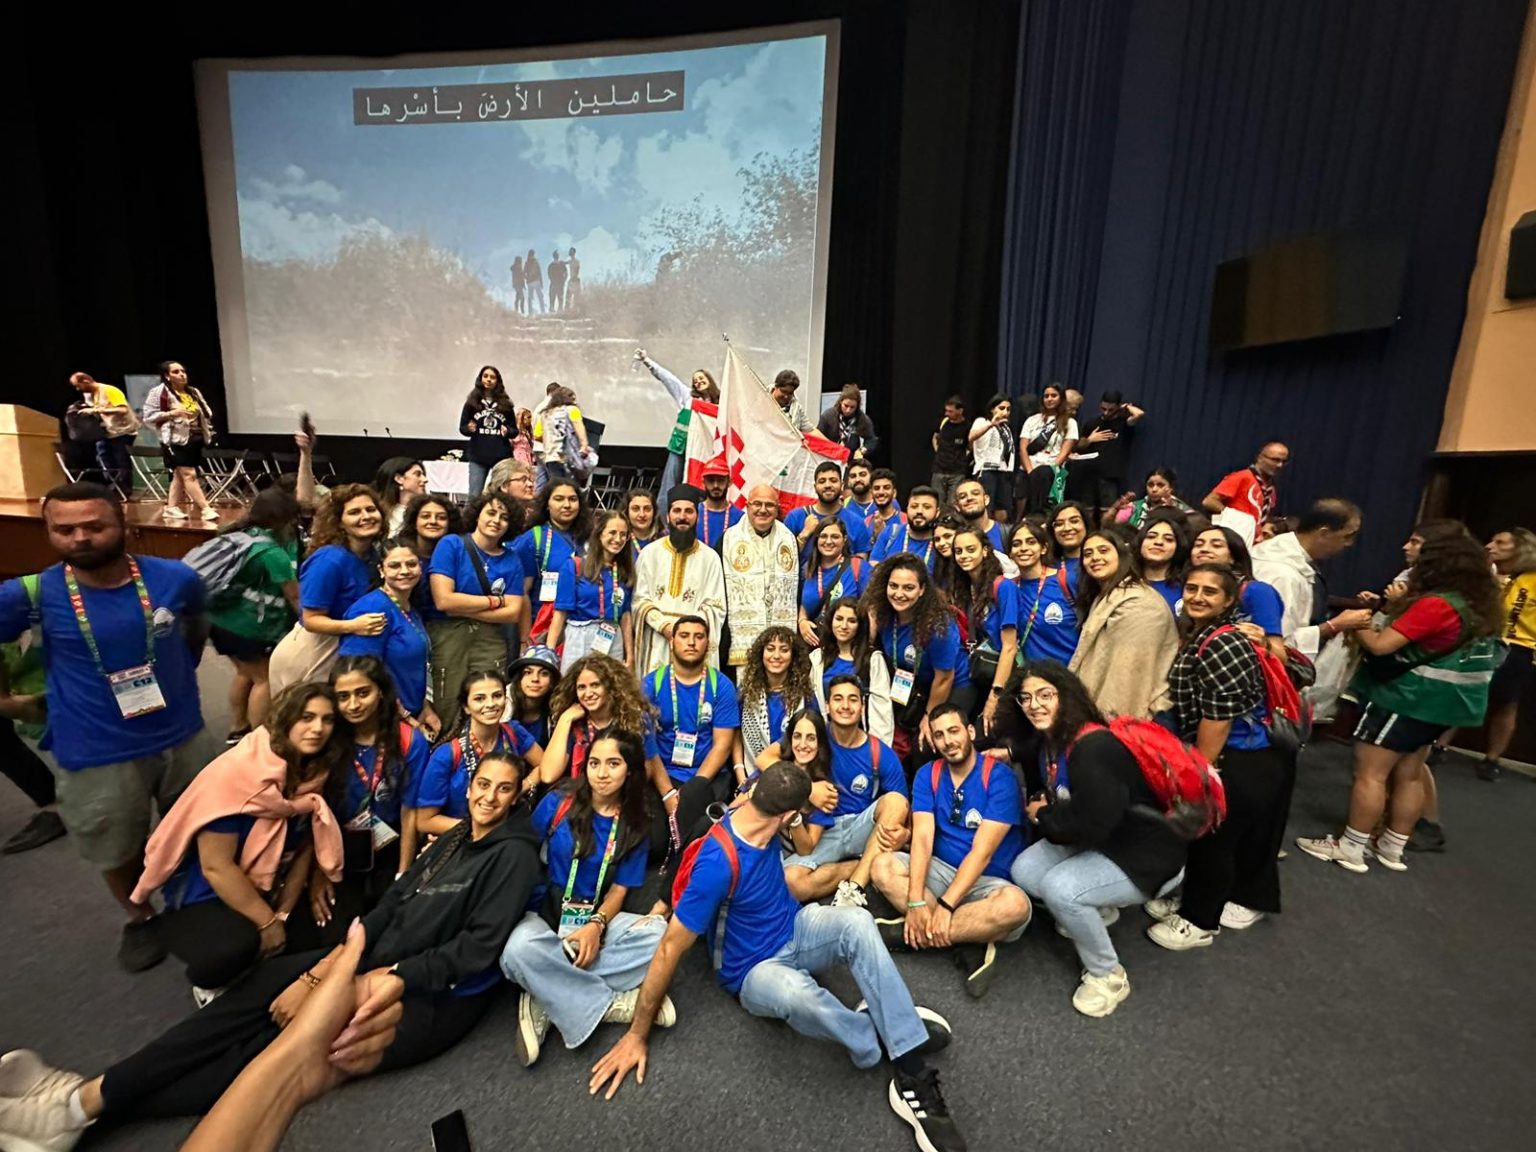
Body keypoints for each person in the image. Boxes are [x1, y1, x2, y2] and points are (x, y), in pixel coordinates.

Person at [0, 752, 542, 1150]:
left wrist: (376, 979)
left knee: (265, 1050)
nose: (488, 797)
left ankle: (82, 1108)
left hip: (427, 997)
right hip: (370, 959)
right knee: (255, 995)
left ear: (517, 796)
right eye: (482, 784)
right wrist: (330, 966)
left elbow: (475, 950)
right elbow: (392, 903)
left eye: (503, 790)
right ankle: (82, 1100)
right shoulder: (455, 837)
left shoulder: (512, 857)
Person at [588, 762, 966, 1152]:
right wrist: (637, 1034)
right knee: (796, 994)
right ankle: (879, 1035)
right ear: (788, 816)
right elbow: (669, 948)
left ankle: (908, 1062)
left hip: (794, 928)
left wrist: (813, 790)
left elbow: (773, 775)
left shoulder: (759, 799)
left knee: (857, 922)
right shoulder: (717, 864)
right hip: (752, 970)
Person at [0, 482, 214, 971]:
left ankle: (197, 902)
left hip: (183, 733)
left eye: (94, 526)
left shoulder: (175, 578)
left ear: (123, 525)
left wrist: (181, 673)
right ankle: (141, 916)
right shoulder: (31, 594)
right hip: (96, 748)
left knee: (201, 828)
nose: (80, 538)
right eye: (65, 529)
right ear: (49, 532)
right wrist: (7, 700)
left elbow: (196, 625)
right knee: (116, 845)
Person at [1296, 533, 1503, 874]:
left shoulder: (1437, 604)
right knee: (1410, 773)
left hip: (1407, 699)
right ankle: (1392, 847)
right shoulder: (1477, 604)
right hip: (1444, 706)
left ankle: (1351, 846)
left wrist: (1357, 622)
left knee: (1370, 773)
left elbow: (1381, 645)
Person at [142, 684, 348, 996]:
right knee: (233, 949)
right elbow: (216, 867)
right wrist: (267, 923)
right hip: (209, 892)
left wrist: (284, 912)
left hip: (273, 879)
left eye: (327, 719)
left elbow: (305, 845)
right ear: (286, 718)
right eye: (306, 717)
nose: (318, 728)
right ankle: (208, 984)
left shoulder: (316, 770)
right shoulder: (238, 777)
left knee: (325, 935)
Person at [1008, 662, 1186, 1017]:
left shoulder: (1093, 747)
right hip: (1104, 840)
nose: (1034, 705)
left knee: (1061, 889)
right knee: (1025, 870)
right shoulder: (1051, 739)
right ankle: (1098, 909)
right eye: (1025, 698)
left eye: (1045, 695)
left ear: (1066, 696)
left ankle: (1108, 975)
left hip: (1145, 856)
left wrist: (1043, 815)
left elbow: (1091, 824)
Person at [501, 730, 670, 1066]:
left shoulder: (636, 822)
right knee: (515, 950)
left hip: (595, 920)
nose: (601, 773)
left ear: (630, 771)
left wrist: (596, 925)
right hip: (545, 914)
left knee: (658, 934)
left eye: (613, 764)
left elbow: (619, 891)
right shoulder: (559, 801)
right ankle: (607, 1003)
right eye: (594, 763)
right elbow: (522, 852)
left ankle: (544, 991)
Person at [1144, 564, 1288, 949]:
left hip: (1240, 756)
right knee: (1206, 840)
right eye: (1192, 588)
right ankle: (1192, 901)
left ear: (1228, 601)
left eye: (1210, 591)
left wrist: (1200, 776)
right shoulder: (1202, 633)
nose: (1198, 597)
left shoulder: (1224, 642)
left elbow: (1217, 720)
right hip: (1229, 753)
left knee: (1215, 843)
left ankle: (1200, 922)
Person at [871, 703, 1031, 999]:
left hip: (986, 882)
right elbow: (922, 839)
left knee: (1016, 906)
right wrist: (916, 900)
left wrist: (945, 906)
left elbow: (981, 853)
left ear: (970, 732)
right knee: (882, 866)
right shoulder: (927, 775)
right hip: (941, 871)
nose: (948, 741)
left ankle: (915, 935)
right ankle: (968, 939)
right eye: (939, 735)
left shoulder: (999, 778)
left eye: (954, 731)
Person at [772, 674, 907, 908]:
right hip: (824, 833)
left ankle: (854, 888)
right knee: (791, 882)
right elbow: (766, 759)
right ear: (827, 705)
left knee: (895, 801)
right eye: (838, 699)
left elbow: (902, 810)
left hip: (861, 827)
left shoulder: (880, 753)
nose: (845, 706)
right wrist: (809, 788)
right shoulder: (813, 735)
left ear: (862, 706)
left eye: (853, 699)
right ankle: (863, 865)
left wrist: (905, 835)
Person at [318, 657, 430, 919]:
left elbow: (409, 810)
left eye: (363, 693)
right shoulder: (326, 739)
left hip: (390, 843)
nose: (353, 705)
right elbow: (314, 810)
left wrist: (403, 873)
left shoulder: (409, 740)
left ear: (380, 691)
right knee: (338, 925)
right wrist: (318, 872)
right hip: (336, 846)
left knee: (387, 919)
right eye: (343, 697)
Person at [1424, 527, 1536, 785]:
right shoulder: (1485, 574)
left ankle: (1492, 759)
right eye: (1491, 540)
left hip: (1519, 646)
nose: (1489, 546)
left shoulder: (1532, 579)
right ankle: (1439, 745)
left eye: (1500, 542)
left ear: (1521, 549)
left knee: (1507, 702)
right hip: (1480, 639)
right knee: (1462, 689)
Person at [267, 485, 384, 698]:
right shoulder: (329, 560)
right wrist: (353, 626)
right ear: (339, 522)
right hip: (314, 651)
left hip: (342, 648)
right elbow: (311, 619)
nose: (366, 516)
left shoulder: (371, 555)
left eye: (370, 509)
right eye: (354, 512)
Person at [206, 488, 302, 744]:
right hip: (247, 628)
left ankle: (238, 726)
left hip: (219, 621)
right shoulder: (272, 553)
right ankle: (259, 740)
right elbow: (295, 597)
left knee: (245, 673)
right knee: (264, 679)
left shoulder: (238, 535)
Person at [643, 617, 741, 850]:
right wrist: (668, 793)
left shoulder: (721, 686)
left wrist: (691, 792)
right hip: (664, 774)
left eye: (699, 637)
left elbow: (722, 746)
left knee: (700, 838)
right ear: (672, 642)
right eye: (684, 636)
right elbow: (648, 745)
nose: (691, 642)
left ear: (708, 644)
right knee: (655, 843)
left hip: (706, 777)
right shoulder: (652, 684)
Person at [867, 553, 973, 761]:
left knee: (925, 744)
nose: (899, 594)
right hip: (914, 686)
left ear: (922, 590)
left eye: (908, 588)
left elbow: (944, 678)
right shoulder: (884, 613)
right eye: (893, 586)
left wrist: (928, 716)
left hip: (953, 684)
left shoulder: (938, 625)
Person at [428, 491, 525, 709]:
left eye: (504, 517)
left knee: (488, 701)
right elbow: (443, 601)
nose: (496, 520)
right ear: (477, 514)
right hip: (449, 637)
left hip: (489, 641)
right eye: (491, 513)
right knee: (447, 702)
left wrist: (460, 606)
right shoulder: (452, 544)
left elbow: (513, 613)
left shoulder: (512, 560)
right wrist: (494, 602)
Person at [416, 670, 542, 838]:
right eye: (479, 698)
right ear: (466, 707)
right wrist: (480, 828)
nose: (490, 704)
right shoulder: (447, 755)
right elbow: (425, 820)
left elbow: (545, 765)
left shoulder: (514, 732)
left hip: (509, 833)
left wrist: (522, 787)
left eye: (497, 696)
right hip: (463, 839)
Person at [1069, 531, 1179, 719]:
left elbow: (1127, 680)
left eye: (1103, 550)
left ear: (1121, 555)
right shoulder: (1106, 595)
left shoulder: (1140, 603)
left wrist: (1109, 726)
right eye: (1088, 554)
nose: (1095, 557)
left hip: (1134, 718)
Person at [339, 542, 438, 736]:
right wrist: (405, 717)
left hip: (414, 714)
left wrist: (426, 707)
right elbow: (360, 674)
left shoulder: (410, 609)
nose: (405, 571)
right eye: (394, 566)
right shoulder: (372, 609)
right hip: (383, 720)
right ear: (381, 571)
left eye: (411, 564)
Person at [1250, 498, 1365, 658]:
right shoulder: (1282, 574)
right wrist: (1333, 626)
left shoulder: (1284, 553)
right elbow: (1276, 644)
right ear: (1324, 533)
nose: (1349, 544)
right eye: (1347, 536)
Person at [632, 485, 728, 675]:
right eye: (677, 511)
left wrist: (685, 632)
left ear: (697, 516)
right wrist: (665, 626)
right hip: (657, 642)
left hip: (694, 644)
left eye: (689, 511)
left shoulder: (710, 558)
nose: (682, 517)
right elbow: (639, 600)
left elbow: (716, 607)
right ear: (668, 516)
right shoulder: (649, 554)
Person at [527, 653, 656, 793]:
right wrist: (565, 720)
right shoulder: (573, 723)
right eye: (581, 687)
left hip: (622, 794)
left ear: (611, 686)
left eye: (595, 685)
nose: (588, 694)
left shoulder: (635, 718)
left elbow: (646, 772)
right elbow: (548, 775)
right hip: (579, 795)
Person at [952, 527, 1021, 734]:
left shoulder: (1004, 587)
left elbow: (1009, 647)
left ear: (984, 551)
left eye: (970, 549)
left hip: (1005, 677)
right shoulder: (967, 588)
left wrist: (995, 695)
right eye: (958, 551)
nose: (964, 556)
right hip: (982, 672)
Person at [724, 485, 800, 666]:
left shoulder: (788, 538)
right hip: (742, 641)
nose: (763, 510)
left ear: (777, 508)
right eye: (757, 504)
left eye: (769, 505)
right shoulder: (729, 539)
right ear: (747, 506)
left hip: (779, 637)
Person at [550, 511, 635, 670]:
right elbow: (560, 613)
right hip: (580, 635)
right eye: (612, 532)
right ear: (599, 533)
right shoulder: (575, 566)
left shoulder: (623, 571)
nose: (618, 539)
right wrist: (549, 652)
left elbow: (625, 615)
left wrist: (629, 655)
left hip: (612, 637)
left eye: (623, 534)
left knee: (610, 684)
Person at [513, 479, 590, 652]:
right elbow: (522, 592)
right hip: (542, 627)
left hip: (581, 627)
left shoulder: (590, 538)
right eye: (559, 499)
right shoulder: (534, 538)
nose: (567, 505)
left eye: (572, 499)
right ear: (547, 504)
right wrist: (525, 639)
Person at [1187, 526, 1287, 656]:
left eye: (1216, 546)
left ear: (1233, 556)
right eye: (1198, 545)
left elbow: (1280, 655)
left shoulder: (1257, 591)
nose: (1204, 549)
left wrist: (1264, 644)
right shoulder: (1186, 589)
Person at [635, 349, 719, 500]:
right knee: (670, 483)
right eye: (695, 381)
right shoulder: (688, 397)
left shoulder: (721, 403)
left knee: (699, 484)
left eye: (701, 378)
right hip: (680, 446)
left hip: (703, 450)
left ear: (709, 379)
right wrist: (647, 361)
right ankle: (664, 512)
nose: (698, 382)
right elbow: (668, 379)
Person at [809, 598, 896, 744]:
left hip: (861, 741)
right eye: (839, 619)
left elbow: (882, 711)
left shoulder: (872, 660)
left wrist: (877, 749)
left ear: (860, 625)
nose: (844, 626)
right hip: (825, 741)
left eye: (851, 621)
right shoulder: (818, 658)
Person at [142, 360, 218, 521]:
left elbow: (206, 411)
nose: (182, 375)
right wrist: (172, 413)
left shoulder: (193, 392)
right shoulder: (159, 393)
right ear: (167, 376)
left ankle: (171, 508)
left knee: (179, 474)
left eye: (183, 371)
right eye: (176, 372)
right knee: (189, 474)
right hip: (175, 440)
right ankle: (206, 509)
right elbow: (148, 417)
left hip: (195, 437)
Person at [735, 627, 817, 771]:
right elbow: (735, 734)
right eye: (770, 649)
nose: (776, 655)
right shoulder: (745, 693)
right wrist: (740, 772)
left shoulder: (805, 695)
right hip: (752, 774)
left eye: (784, 650)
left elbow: (816, 736)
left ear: (793, 656)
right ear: (761, 653)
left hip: (795, 774)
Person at [1067, 390, 1144, 522]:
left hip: (1109, 475)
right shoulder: (1092, 422)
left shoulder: (1123, 423)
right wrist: (1090, 439)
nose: (1106, 412)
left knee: (1107, 511)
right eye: (1103, 409)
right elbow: (1076, 447)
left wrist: (1126, 407)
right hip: (1088, 473)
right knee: (1087, 511)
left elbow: (1139, 414)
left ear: (1118, 406)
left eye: (1111, 409)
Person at [1009, 520, 1079, 665]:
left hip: (1072, 672)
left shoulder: (1066, 580)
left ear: (1043, 548)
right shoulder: (1010, 588)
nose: (1023, 548)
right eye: (1016, 544)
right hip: (1033, 675)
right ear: (1010, 553)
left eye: (1031, 542)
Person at [799, 517, 869, 646]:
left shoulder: (859, 567)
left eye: (835, 537)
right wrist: (802, 621)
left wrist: (866, 645)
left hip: (848, 646)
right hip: (814, 644)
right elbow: (803, 603)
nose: (828, 541)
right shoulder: (808, 568)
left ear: (844, 539)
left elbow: (871, 610)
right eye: (823, 536)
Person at [1202, 442, 1290, 546]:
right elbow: (1209, 502)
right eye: (1275, 460)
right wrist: (1236, 517)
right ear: (1260, 458)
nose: (1279, 465)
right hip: (1234, 539)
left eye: (1284, 462)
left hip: (1253, 542)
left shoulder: (1270, 488)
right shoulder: (1242, 477)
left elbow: (1262, 515)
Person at [66, 371, 137, 495]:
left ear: (86, 381)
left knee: (120, 460)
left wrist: (96, 410)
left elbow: (123, 409)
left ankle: (125, 489)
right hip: (105, 432)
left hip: (122, 431)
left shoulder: (110, 390)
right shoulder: (89, 395)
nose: (78, 389)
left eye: (78, 385)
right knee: (103, 459)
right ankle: (114, 486)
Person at [786, 463, 875, 560]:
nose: (827, 485)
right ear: (815, 487)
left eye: (833, 480)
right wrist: (804, 535)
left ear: (842, 485)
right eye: (822, 481)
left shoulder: (857, 523)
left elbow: (861, 565)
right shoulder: (795, 517)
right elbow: (782, 559)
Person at [458, 366, 518, 499]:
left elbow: (514, 430)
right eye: (485, 376)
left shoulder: (506, 405)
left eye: (492, 377)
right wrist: (469, 429)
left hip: (501, 457)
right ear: (480, 379)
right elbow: (462, 428)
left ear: (497, 381)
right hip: (478, 456)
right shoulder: (471, 403)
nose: (489, 380)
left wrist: (508, 431)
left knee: (503, 496)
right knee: (474, 496)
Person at [1019, 385, 1079, 515]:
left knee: (1049, 512)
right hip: (1029, 469)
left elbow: (1065, 452)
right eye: (1046, 396)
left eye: (1054, 396)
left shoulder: (1070, 423)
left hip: (1053, 472)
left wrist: (1051, 470)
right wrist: (1031, 472)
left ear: (1061, 398)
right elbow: (1023, 448)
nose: (1049, 399)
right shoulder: (1032, 420)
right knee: (1025, 512)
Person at [966, 395, 1018, 521]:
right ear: (992, 409)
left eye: (1008, 409)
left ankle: (998, 532)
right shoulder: (982, 421)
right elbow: (971, 437)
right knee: (986, 507)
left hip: (1004, 471)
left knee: (1003, 510)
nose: (1005, 412)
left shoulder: (1006, 427)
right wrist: (991, 424)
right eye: (1001, 408)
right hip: (987, 470)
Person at [872, 486, 941, 570]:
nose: (919, 511)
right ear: (907, 509)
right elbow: (873, 568)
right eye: (914, 506)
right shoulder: (890, 533)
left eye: (926, 507)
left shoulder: (941, 542)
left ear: (937, 512)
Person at [507, 645, 561, 748]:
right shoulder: (503, 704)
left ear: (552, 682)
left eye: (544, 674)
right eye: (528, 672)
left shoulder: (558, 711)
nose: (535, 679)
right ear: (519, 678)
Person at [538, 385, 594, 485]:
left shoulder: (545, 413)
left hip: (551, 457)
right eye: (573, 398)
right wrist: (584, 445)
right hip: (568, 456)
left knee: (556, 486)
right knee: (570, 486)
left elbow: (537, 434)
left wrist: (551, 441)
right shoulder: (572, 410)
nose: (575, 402)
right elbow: (579, 428)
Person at [1106, 467, 1192, 529]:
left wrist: (1171, 512)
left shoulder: (1183, 511)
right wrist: (1114, 509)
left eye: (1160, 485)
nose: (1154, 489)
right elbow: (1111, 529)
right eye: (1150, 485)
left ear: (1171, 488)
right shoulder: (1134, 507)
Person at [1137, 515, 1189, 613]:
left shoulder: (1187, 587)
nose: (1159, 542)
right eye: (1151, 537)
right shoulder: (1122, 583)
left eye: (1168, 539)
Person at [818, 383, 879, 459]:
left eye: (852, 407)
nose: (848, 410)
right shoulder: (828, 415)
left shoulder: (862, 419)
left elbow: (871, 439)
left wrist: (862, 450)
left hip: (850, 458)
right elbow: (817, 437)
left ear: (857, 406)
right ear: (841, 402)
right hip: (829, 456)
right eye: (846, 406)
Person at [930, 396, 972, 506]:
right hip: (939, 470)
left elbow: (971, 445)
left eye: (950, 411)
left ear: (960, 411)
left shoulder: (967, 427)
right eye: (946, 411)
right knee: (937, 502)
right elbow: (935, 436)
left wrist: (964, 456)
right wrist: (937, 450)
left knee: (953, 504)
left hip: (957, 472)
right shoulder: (943, 422)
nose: (947, 414)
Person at [697, 454, 743, 549]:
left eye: (720, 480)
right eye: (711, 481)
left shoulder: (741, 518)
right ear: (703, 482)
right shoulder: (692, 513)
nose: (715, 486)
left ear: (729, 482)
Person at [1048, 501, 1089, 591]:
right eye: (1059, 524)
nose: (1067, 528)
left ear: (1086, 525)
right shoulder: (1046, 564)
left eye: (1074, 521)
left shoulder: (1099, 560)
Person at [865, 467, 905, 544]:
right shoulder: (866, 523)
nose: (881, 492)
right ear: (871, 493)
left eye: (886, 488)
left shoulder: (905, 520)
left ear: (894, 493)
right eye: (877, 488)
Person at [770, 368, 816, 433]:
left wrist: (827, 440)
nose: (786, 396)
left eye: (790, 393)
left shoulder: (796, 407)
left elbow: (811, 431)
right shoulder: (761, 400)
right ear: (776, 387)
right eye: (783, 391)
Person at [624, 488, 663, 560]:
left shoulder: (665, 539)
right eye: (635, 509)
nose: (642, 514)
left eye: (647, 509)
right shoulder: (620, 539)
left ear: (655, 512)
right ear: (626, 512)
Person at [525, 248, 545, 313]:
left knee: (530, 298)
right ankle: (543, 311)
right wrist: (541, 282)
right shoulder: (536, 262)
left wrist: (527, 279)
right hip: (536, 281)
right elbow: (539, 272)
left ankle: (530, 312)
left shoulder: (527, 263)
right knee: (540, 297)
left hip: (530, 282)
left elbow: (524, 273)